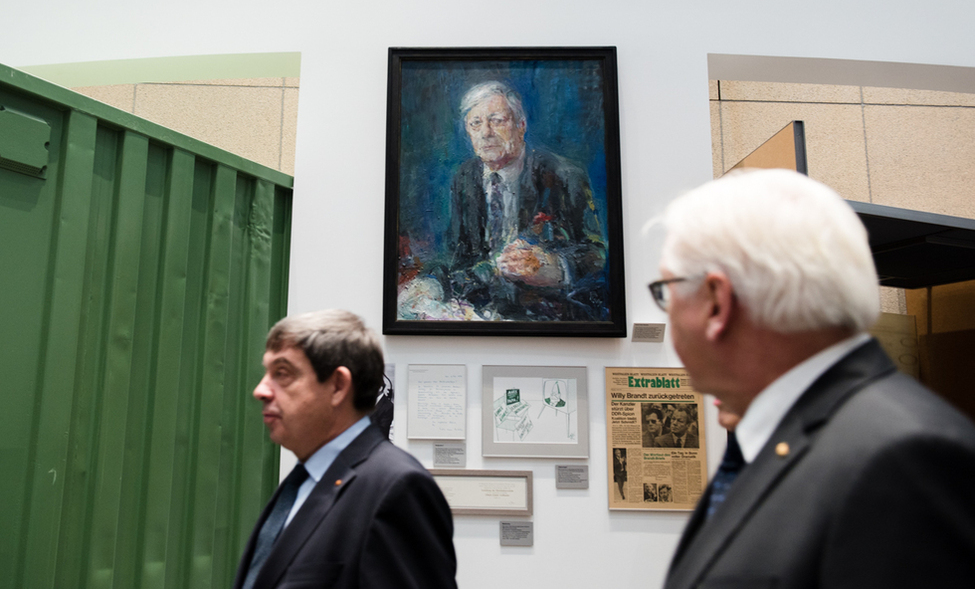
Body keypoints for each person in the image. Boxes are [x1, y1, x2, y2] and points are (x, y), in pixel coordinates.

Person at [652, 169, 975, 589]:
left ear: (717, 303)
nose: (668, 311)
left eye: (666, 291)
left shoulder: (898, 460)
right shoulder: (794, 441)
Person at [232, 310, 457, 589]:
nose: (261, 390)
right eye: (267, 373)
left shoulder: (396, 487)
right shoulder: (301, 482)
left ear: (338, 386)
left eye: (282, 373)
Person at [399, 81, 608, 322]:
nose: (486, 133)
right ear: (468, 130)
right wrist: (435, 283)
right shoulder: (466, 177)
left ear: (520, 125)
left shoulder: (563, 175)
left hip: (552, 314)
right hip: (482, 310)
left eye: (497, 120)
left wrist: (552, 266)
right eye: (476, 123)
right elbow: (457, 252)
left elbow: (596, 254)